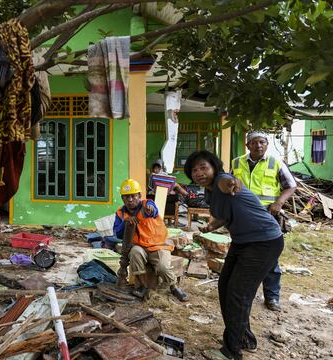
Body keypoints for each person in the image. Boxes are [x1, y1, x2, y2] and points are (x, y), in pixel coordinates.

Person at [185, 150, 283, 360]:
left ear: (214, 168)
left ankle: (232, 351)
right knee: (225, 287)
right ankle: (244, 338)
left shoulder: (221, 181)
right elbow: (223, 215)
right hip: (242, 241)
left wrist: (233, 182)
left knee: (238, 294)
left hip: (264, 241)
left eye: (204, 167)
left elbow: (229, 182)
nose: (199, 172)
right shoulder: (210, 193)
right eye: (194, 170)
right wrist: (210, 226)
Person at [231, 131, 296, 312]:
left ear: (267, 144)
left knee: (269, 257)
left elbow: (291, 186)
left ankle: (272, 296)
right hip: (243, 217)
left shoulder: (275, 162)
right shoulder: (236, 163)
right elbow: (229, 185)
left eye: (262, 142)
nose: (258, 146)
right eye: (254, 142)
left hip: (266, 215)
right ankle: (242, 295)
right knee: (243, 253)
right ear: (247, 145)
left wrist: (279, 202)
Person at [113, 179, 189, 302]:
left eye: (133, 196)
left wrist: (150, 209)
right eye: (126, 197)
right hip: (140, 246)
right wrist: (125, 223)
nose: (130, 200)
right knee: (135, 253)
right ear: (122, 199)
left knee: (162, 267)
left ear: (139, 196)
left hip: (158, 245)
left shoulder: (147, 204)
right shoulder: (121, 213)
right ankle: (143, 286)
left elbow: (153, 210)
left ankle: (174, 286)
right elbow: (117, 233)